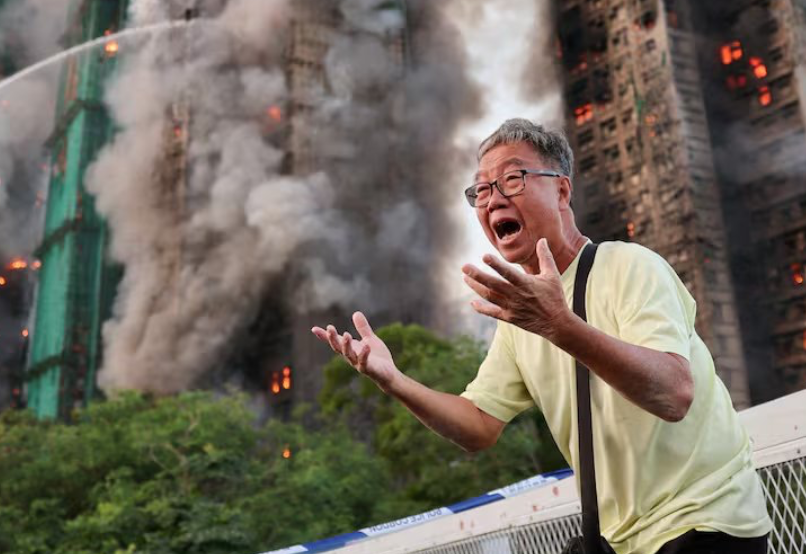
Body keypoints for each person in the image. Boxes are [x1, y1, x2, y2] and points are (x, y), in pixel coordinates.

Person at [313, 118, 772, 554]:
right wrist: (393, 380)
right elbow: (478, 427)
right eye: (482, 190)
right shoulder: (521, 317)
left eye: (513, 180)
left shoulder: (629, 266)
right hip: (623, 541)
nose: (493, 199)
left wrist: (560, 325)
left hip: (706, 522)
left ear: (562, 190)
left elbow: (674, 393)